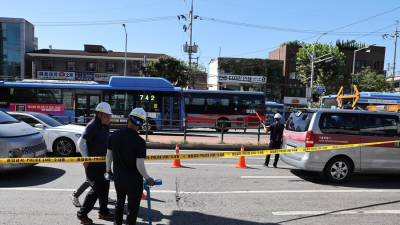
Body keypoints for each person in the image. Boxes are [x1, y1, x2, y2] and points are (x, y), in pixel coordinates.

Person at [105, 108, 155, 225]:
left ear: (128, 120)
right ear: (141, 124)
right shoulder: (140, 142)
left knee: (119, 204)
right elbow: (139, 164)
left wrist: (108, 171)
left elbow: (108, 155)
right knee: (133, 208)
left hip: (119, 178)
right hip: (134, 180)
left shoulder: (115, 135)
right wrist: (148, 178)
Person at [76, 102, 115, 225]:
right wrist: (86, 159)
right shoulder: (92, 126)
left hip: (104, 164)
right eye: (106, 116)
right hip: (94, 165)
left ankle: (103, 212)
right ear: (98, 114)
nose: (109, 118)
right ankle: (81, 214)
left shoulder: (104, 125)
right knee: (96, 189)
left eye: (109, 116)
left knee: (105, 188)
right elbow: (80, 142)